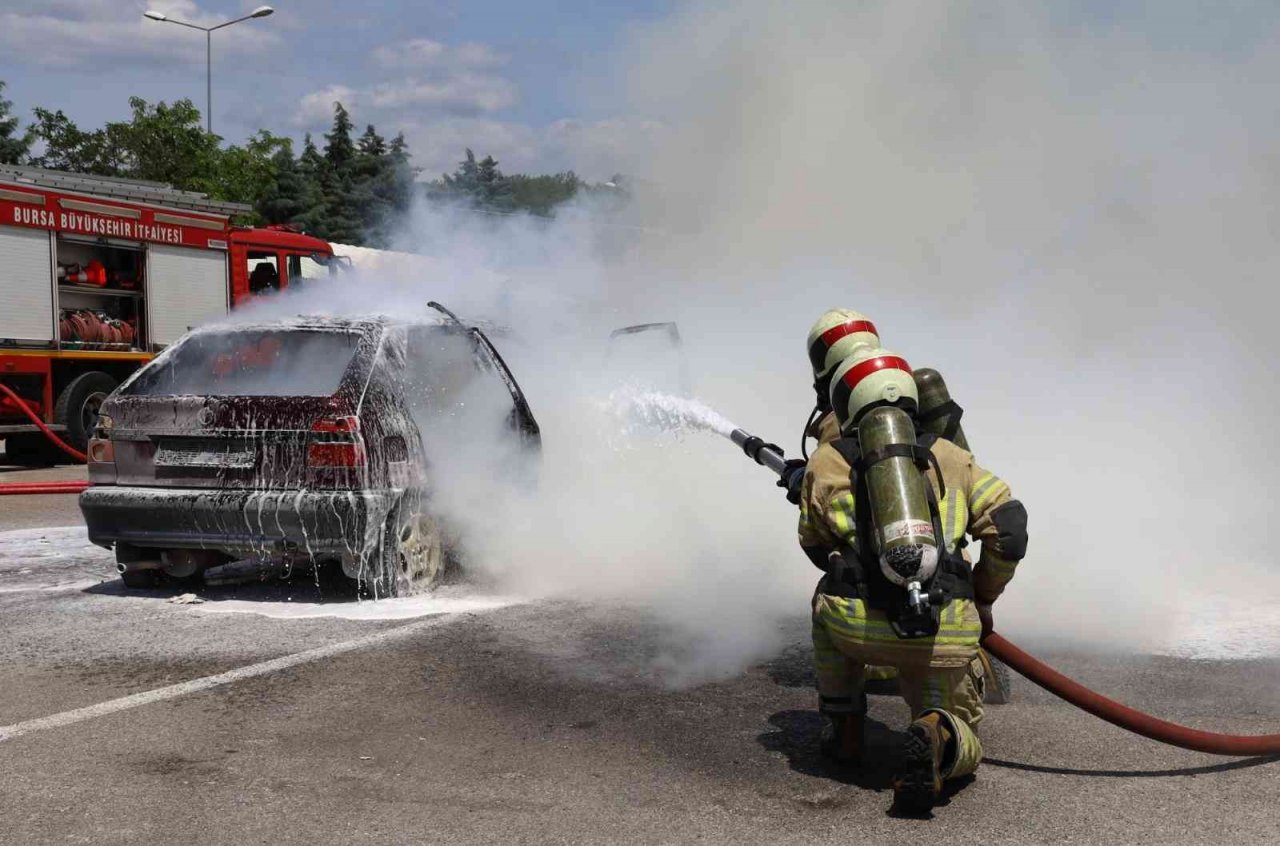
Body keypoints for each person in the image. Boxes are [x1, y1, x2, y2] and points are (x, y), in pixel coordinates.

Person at [797, 346, 1028, 814]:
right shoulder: (952, 457)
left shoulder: (824, 462)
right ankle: (938, 732)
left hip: (855, 629)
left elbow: (814, 546)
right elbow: (1010, 528)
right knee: (962, 727)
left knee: (825, 600)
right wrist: (982, 595)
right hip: (944, 630)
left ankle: (844, 731)